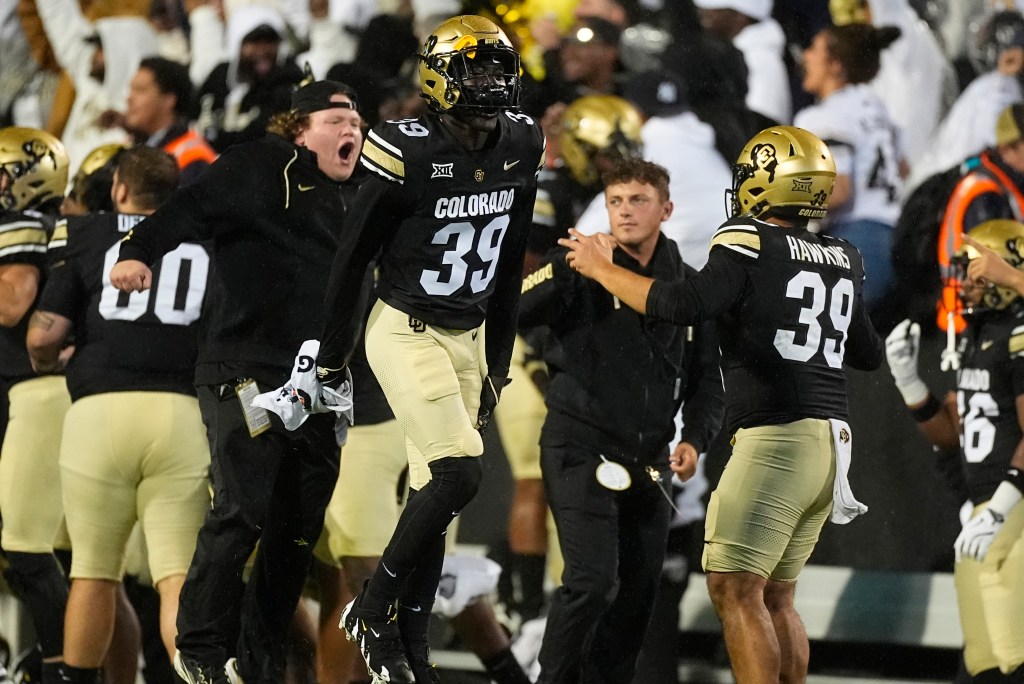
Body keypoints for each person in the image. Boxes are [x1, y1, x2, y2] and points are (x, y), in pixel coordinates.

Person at [561, 125, 884, 683]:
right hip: (831, 440)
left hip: (776, 437)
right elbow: (867, 354)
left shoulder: (746, 240)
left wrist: (601, 269)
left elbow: (684, 303)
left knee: (734, 587)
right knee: (777, 596)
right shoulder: (844, 255)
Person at [308, 15, 544, 684]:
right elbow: (353, 260)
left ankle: (411, 652)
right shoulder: (404, 145)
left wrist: (497, 356)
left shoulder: (523, 140)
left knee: (436, 498)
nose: (489, 80)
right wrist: (331, 355)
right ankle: (372, 609)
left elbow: (505, 262)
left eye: (497, 65)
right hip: (406, 325)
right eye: (473, 67)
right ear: (439, 77)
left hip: (468, 332)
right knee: (458, 473)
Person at [107, 78, 364, 684]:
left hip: (324, 386)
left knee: (296, 533)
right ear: (297, 129)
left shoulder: (365, 192)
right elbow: (188, 207)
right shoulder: (260, 163)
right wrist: (138, 249)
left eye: (356, 121)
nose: (350, 130)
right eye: (335, 120)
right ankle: (197, 647)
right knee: (243, 508)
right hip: (248, 370)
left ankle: (260, 659)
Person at [519, 159, 723, 684]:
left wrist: (696, 441)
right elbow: (512, 311)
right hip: (579, 445)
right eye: (615, 201)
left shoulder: (691, 287)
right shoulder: (578, 264)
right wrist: (566, 269)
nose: (625, 212)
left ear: (666, 209)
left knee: (637, 600)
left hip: (651, 461)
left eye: (638, 200)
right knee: (590, 583)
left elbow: (707, 383)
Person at [26, 146, 211, 683]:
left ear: (118, 190)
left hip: (99, 414)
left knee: (92, 574)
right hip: (180, 415)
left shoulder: (87, 233)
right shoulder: (205, 234)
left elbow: (44, 335)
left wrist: (49, 359)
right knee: (176, 578)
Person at [885, 219, 1024, 680]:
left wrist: (1001, 506)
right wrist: (910, 384)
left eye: (974, 270)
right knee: (983, 661)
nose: (963, 283)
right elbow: (955, 436)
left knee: (1010, 657)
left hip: (1014, 508)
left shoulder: (1018, 334)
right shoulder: (978, 334)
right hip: (986, 505)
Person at [0, 126, 72, 684]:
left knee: (29, 550)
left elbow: (12, 301)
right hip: (19, 390)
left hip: (26, 391)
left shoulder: (25, 225)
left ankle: (60, 667)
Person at [794, 23, 906, 312]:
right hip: (896, 238)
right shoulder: (874, 105)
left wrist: (777, 208)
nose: (806, 56)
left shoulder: (822, 116)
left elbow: (838, 192)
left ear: (836, 65)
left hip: (856, 243)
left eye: (815, 49)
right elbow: (903, 168)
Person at [937, 103, 1024, 343]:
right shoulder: (986, 194)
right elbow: (995, 268)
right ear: (1008, 148)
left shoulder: (1002, 183)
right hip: (969, 321)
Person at [692, 0, 792, 124]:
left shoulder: (760, 59)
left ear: (740, 17)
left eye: (716, 9)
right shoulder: (735, 52)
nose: (704, 13)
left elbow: (761, 129)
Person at [122, 57, 217, 185]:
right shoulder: (138, 146)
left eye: (140, 90)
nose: (129, 98)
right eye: (131, 90)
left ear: (169, 100)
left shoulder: (193, 159)